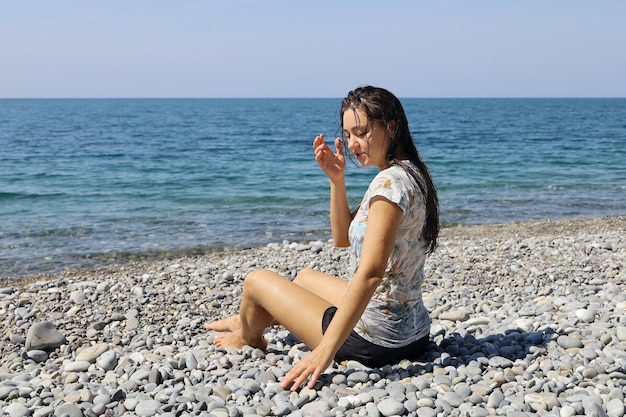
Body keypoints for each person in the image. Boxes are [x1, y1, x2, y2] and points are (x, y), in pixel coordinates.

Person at [204, 86, 439, 391]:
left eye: (362, 132)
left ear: (391, 127)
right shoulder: (411, 174)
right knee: (303, 278)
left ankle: (248, 335)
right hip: (413, 333)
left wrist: (325, 351)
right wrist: (336, 180)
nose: (354, 143)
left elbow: (370, 274)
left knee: (255, 281)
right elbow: (342, 237)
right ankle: (248, 319)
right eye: (348, 134)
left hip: (376, 343)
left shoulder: (388, 184)